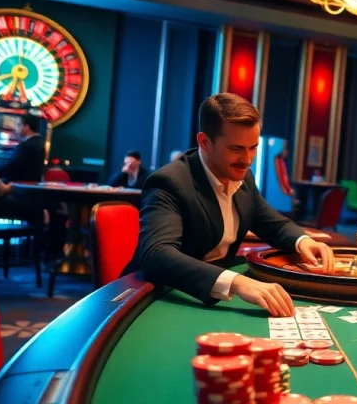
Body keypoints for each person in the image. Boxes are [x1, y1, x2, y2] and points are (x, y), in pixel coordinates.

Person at [125, 93, 335, 316]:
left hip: (208, 293)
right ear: (205, 142)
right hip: (154, 295)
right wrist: (237, 283)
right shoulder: (169, 182)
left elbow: (272, 223)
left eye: (253, 147)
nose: (247, 159)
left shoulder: (242, 176)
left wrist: (303, 241)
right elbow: (156, 255)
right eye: (236, 149)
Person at [0, 114, 45, 182]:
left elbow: (10, 169)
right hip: (30, 186)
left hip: (19, 187)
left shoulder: (27, 146)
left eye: (18, 124)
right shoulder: (38, 142)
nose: (15, 128)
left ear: (26, 127)